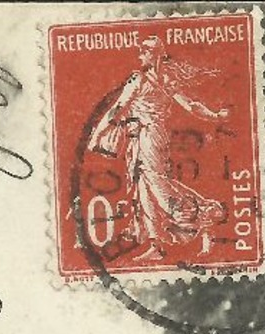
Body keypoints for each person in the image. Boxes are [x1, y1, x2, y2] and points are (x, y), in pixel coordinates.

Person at [87, 35, 228, 263]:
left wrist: (97, 135)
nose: (140, 55)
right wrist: (214, 115)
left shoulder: (140, 80)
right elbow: (191, 105)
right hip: (147, 136)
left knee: (158, 185)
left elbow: (117, 110)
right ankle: (156, 244)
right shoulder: (166, 79)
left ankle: (204, 218)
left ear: (153, 55)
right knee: (144, 188)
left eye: (144, 52)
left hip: (147, 136)